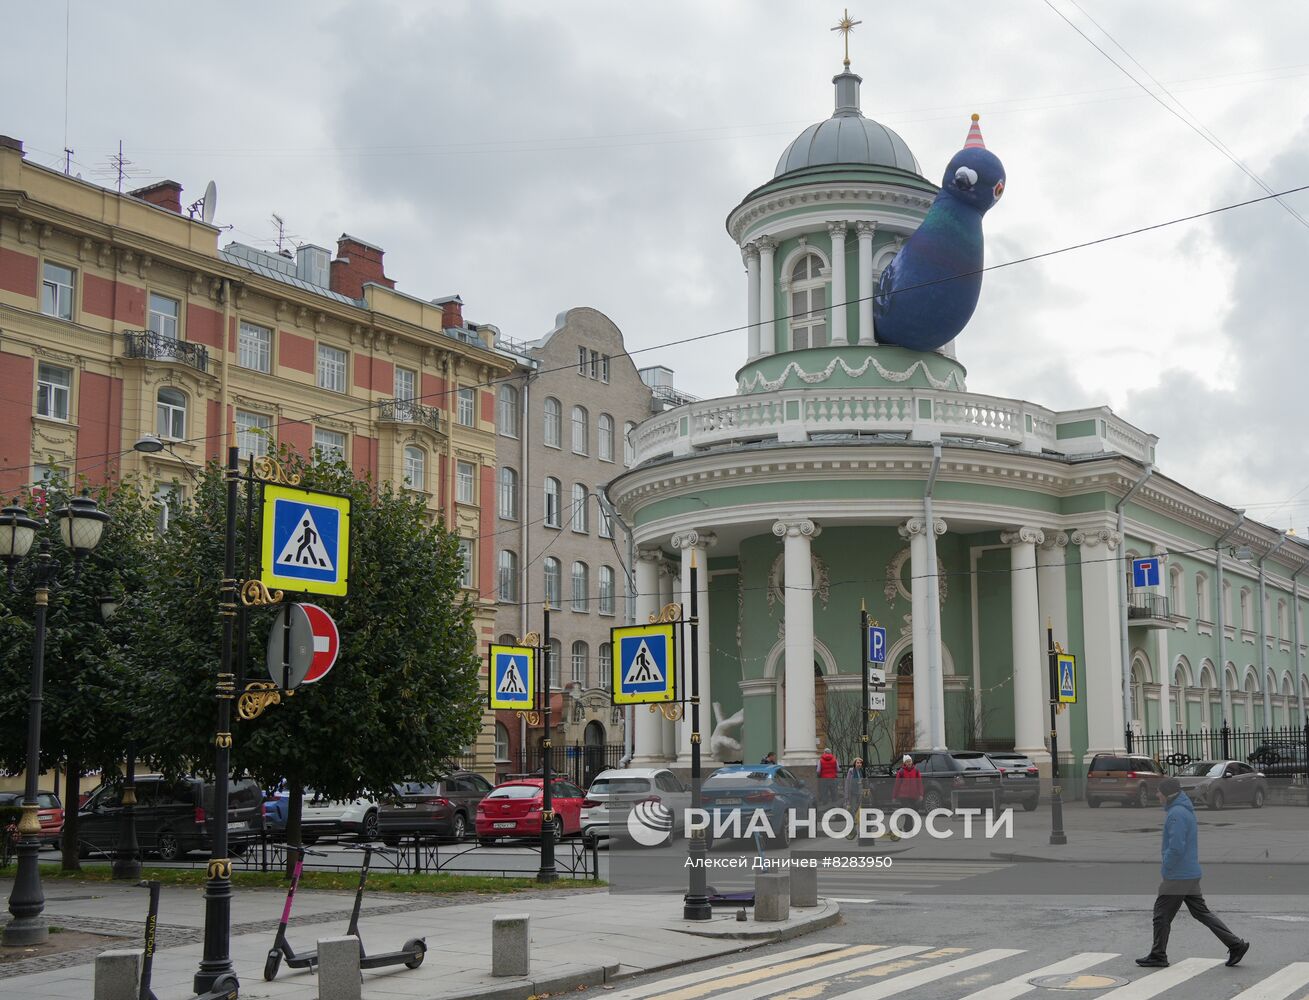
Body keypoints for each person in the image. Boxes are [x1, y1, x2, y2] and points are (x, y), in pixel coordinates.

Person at [1137, 776, 1248, 969]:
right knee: (1202, 913)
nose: (1157, 795)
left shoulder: (1176, 814)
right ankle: (1235, 944)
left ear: (1167, 794)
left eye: (1159, 792)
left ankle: (1158, 955)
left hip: (1178, 875)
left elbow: (1176, 847)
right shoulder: (1183, 810)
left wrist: (1167, 868)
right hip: (1190, 872)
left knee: (1161, 915)